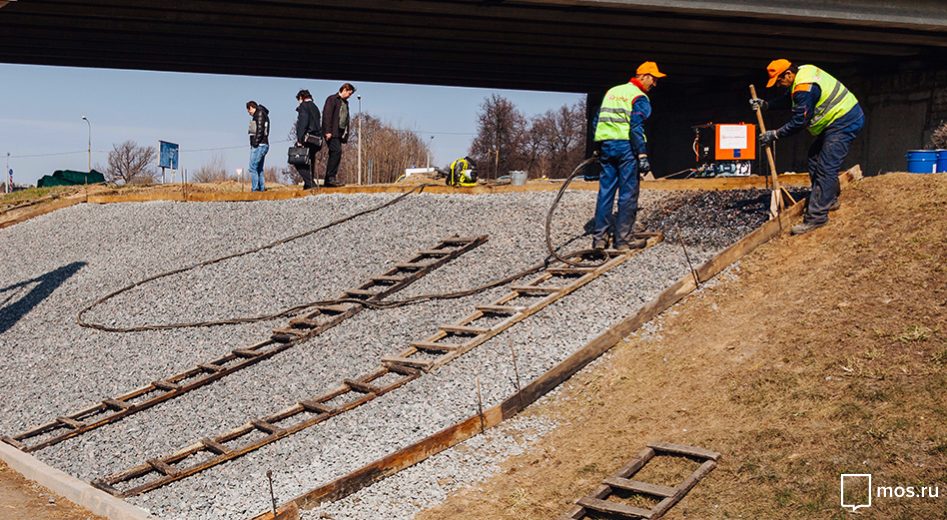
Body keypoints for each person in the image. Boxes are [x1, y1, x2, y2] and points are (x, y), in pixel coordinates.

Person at [752, 59, 865, 235]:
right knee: (814, 157)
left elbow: (799, 121)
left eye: (780, 80)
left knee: (826, 166)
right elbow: (790, 97)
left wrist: (775, 134)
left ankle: (817, 217)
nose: (779, 85)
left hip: (845, 120)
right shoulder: (803, 72)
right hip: (837, 119)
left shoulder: (805, 89)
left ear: (788, 74)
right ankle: (830, 199)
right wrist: (768, 105)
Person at [590, 61, 665, 251]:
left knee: (605, 192)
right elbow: (635, 126)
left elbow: (597, 119)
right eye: (653, 79)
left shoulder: (612, 92)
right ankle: (623, 240)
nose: (654, 84)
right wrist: (642, 154)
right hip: (626, 147)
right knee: (628, 194)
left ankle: (599, 238)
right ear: (644, 76)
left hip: (607, 145)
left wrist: (598, 146)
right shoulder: (639, 97)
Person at [322, 83, 356, 187]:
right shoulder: (332, 99)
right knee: (336, 151)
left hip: (339, 133)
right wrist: (327, 131)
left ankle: (329, 179)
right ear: (345, 89)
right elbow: (327, 115)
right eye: (349, 93)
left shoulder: (345, 103)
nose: (349, 96)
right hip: (332, 132)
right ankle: (330, 178)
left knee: (335, 153)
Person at [294, 89, 321, 189]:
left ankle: (310, 183)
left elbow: (303, 123)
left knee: (297, 160)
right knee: (310, 161)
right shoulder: (315, 107)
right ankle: (308, 185)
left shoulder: (304, 106)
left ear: (301, 97)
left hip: (307, 138)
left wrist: (300, 140)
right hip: (316, 139)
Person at [246, 101, 270, 192]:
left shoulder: (259, 114)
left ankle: (255, 188)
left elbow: (260, 130)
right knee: (259, 168)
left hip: (259, 145)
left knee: (252, 167)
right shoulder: (263, 114)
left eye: (249, 110)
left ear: (251, 107)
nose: (249, 113)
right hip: (263, 144)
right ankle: (261, 188)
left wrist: (255, 143)